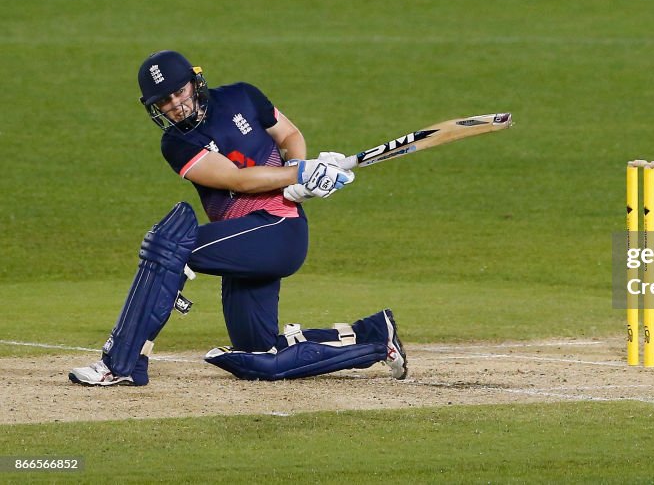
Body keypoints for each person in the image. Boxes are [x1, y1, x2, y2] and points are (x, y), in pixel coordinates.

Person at [70, 50, 407, 385]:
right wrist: (300, 174)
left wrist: (298, 173)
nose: (176, 104)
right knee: (259, 355)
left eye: (179, 92)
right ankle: (375, 337)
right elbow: (236, 179)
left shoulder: (242, 96)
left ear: (195, 82)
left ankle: (120, 363)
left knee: (170, 247)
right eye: (165, 101)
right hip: (244, 239)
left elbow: (289, 136)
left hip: (277, 230)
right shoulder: (176, 143)